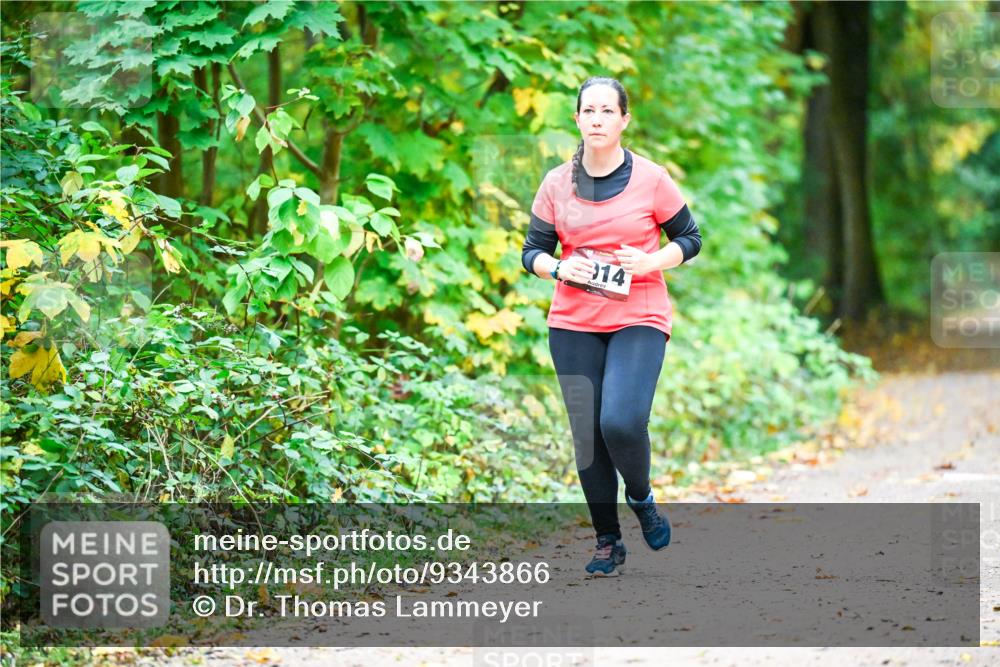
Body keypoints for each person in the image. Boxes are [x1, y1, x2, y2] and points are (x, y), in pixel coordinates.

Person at [521, 76, 702, 577]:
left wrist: (649, 262)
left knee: (619, 421)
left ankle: (641, 497)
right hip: (573, 321)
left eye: (607, 111)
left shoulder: (652, 178)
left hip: (638, 314)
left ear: (624, 119)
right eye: (588, 111)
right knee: (588, 435)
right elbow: (531, 251)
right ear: (576, 119)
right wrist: (557, 268)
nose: (597, 119)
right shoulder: (556, 183)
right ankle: (607, 541)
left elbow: (689, 239)